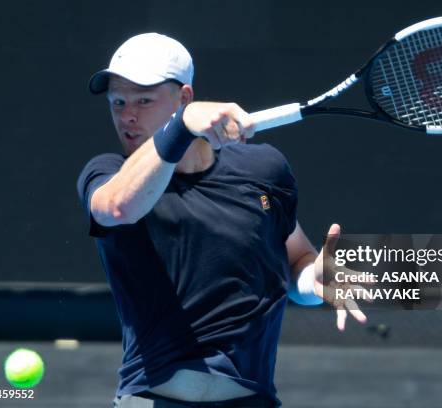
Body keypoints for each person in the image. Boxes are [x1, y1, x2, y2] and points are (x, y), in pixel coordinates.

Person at [77, 33, 367, 407]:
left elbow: (296, 260)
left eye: (144, 100)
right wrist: (180, 127)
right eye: (118, 102)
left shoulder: (263, 169)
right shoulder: (110, 173)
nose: (127, 115)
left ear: (184, 96)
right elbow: (117, 208)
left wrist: (315, 280)